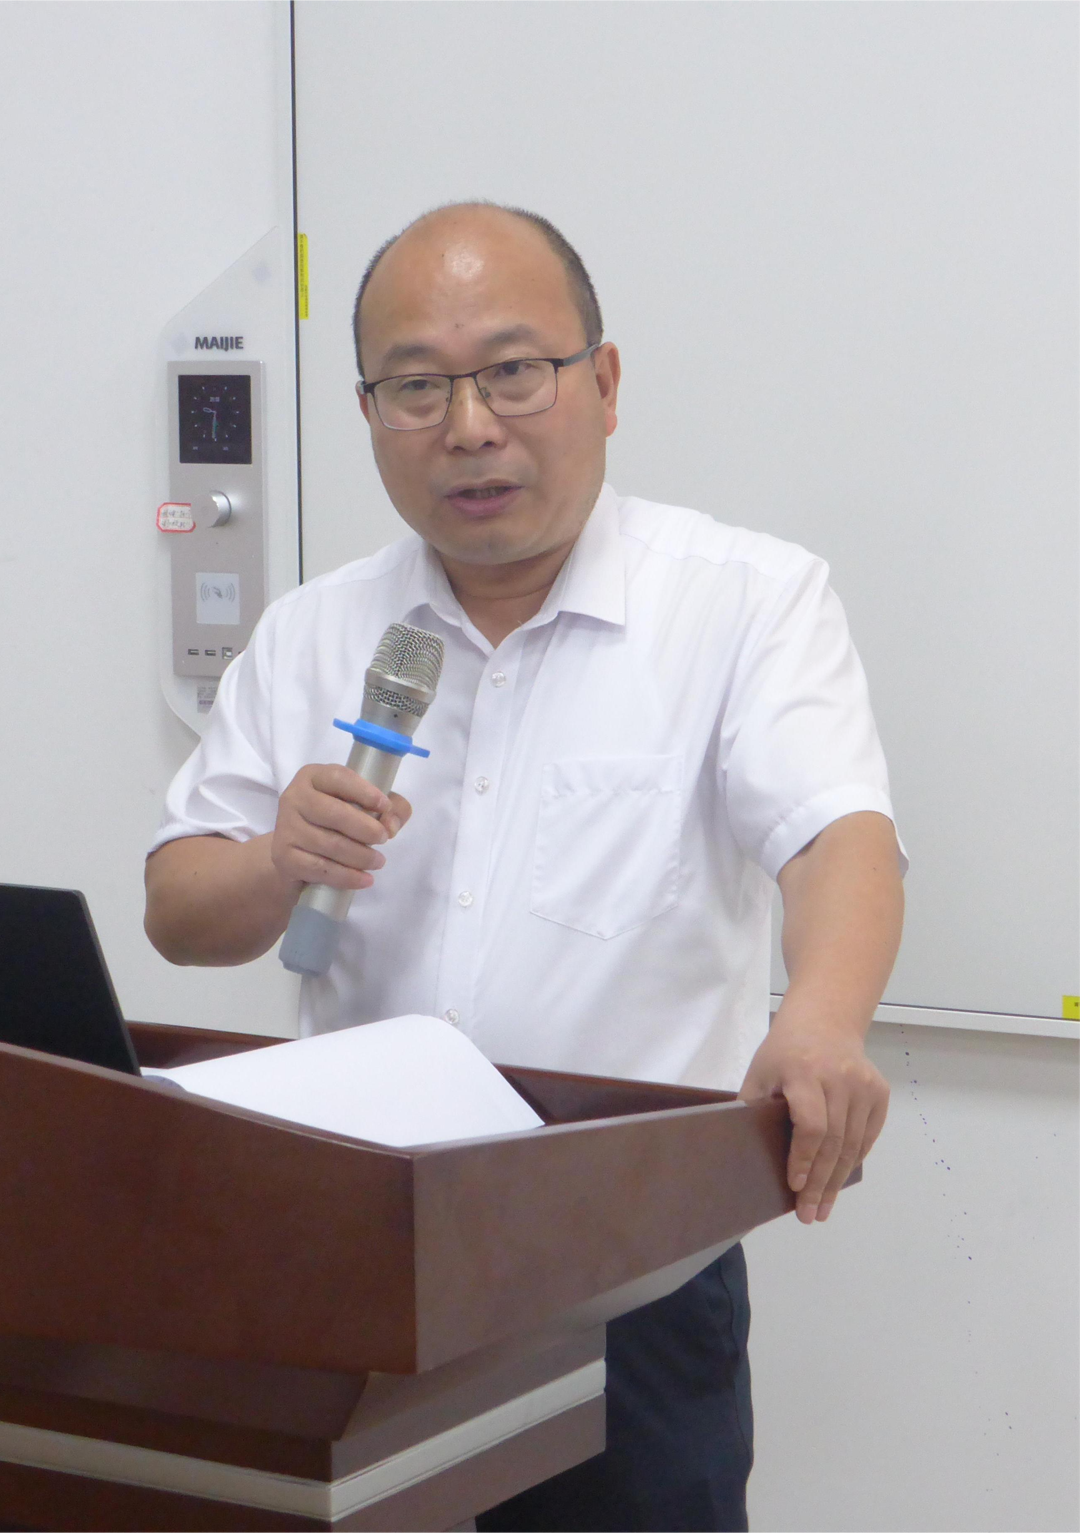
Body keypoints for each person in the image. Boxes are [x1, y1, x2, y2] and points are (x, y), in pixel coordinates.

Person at [144, 202, 905, 1533]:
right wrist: (275, 863)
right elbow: (178, 909)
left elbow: (838, 836)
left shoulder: (742, 600)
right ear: (369, 413)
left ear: (602, 384)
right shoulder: (314, 630)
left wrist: (823, 1023)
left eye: (513, 372)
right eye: (417, 387)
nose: (470, 427)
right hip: (364, 1266)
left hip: (630, 1283)